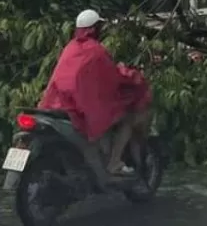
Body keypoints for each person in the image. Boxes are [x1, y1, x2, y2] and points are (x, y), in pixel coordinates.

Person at [39, 9, 150, 177]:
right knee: (127, 118)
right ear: (95, 28)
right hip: (77, 107)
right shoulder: (96, 51)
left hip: (55, 103)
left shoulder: (71, 48)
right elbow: (112, 78)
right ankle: (114, 163)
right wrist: (134, 77)